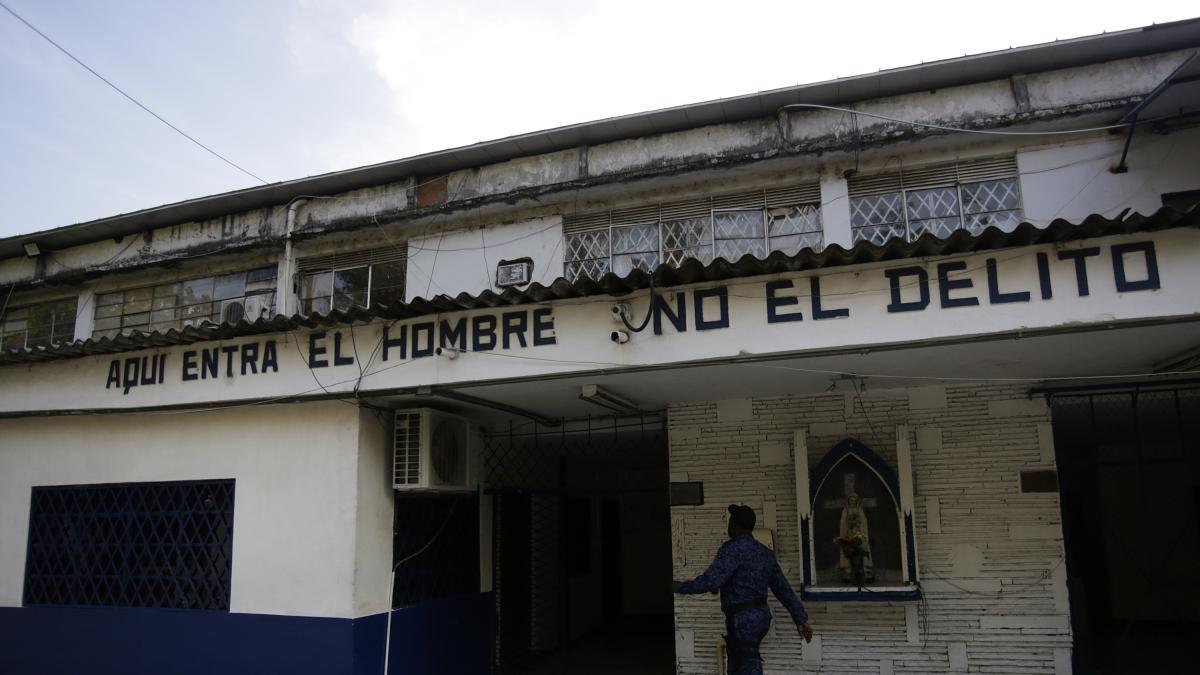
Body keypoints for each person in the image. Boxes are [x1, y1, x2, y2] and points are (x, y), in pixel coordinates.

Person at [672, 504, 813, 675]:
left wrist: (679, 587)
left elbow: (710, 581)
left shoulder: (732, 550)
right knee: (738, 663)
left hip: (742, 620)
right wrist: (800, 619)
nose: (729, 525)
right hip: (760, 618)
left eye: (731, 521)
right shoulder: (764, 553)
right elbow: (783, 589)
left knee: (748, 664)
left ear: (735, 524)